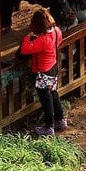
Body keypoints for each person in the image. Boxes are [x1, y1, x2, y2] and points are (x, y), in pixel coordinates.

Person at [20, 8, 67, 136]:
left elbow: (25, 49)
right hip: (52, 66)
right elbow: (58, 42)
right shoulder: (56, 31)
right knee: (53, 93)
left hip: (42, 71)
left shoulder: (43, 40)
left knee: (46, 99)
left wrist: (27, 37)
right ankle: (60, 120)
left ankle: (49, 126)